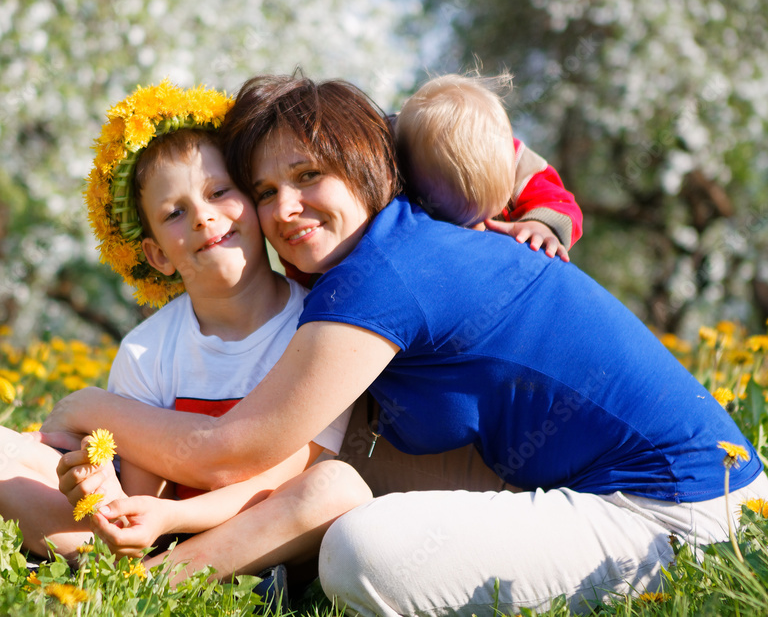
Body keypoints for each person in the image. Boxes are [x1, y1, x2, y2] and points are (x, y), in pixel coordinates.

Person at [43, 74, 768, 616]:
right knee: (352, 464)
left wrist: (85, 405)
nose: (284, 209)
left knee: (359, 552)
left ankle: (155, 588)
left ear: (366, 166)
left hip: (682, 513)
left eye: (308, 177)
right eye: (263, 190)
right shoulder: (402, 235)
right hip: (651, 486)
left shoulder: (383, 274)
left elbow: (231, 448)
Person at [0, 81, 369, 591]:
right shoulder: (148, 347)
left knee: (336, 488)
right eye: (175, 213)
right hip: (156, 531)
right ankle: (132, 568)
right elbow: (137, 485)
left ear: (252, 203)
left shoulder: (314, 326)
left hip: (261, 522)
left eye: (219, 192)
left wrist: (172, 519)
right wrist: (100, 490)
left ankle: (153, 581)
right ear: (159, 254)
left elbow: (282, 477)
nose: (204, 216)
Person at [395, 72, 582, 261]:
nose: (481, 228)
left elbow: (560, 203)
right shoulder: (403, 156)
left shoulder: (519, 167)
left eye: (490, 215)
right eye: (465, 222)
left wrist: (541, 225)